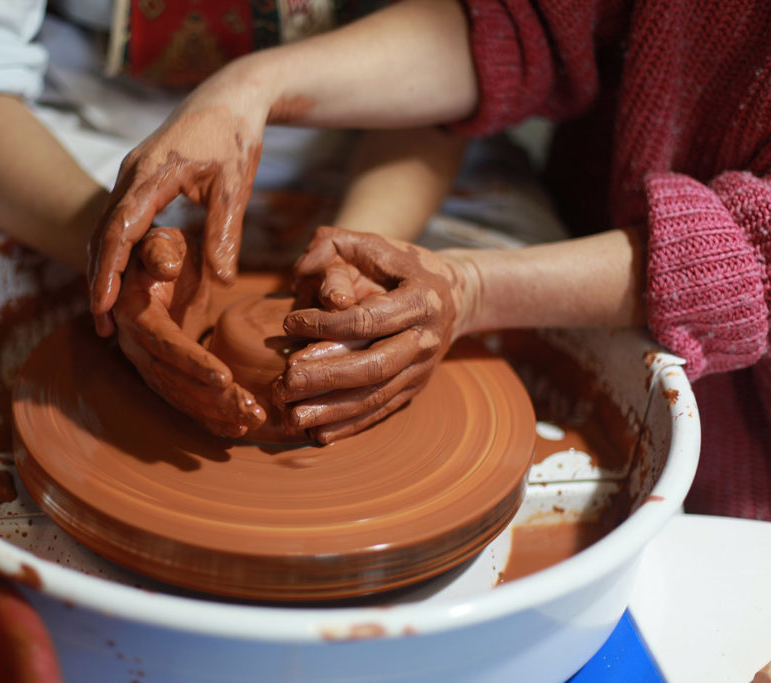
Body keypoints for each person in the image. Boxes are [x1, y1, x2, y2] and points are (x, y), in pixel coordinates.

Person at [0, 1, 483, 510]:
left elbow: (471, 63)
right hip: (60, 126)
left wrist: (359, 255)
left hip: (363, 130)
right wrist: (111, 241)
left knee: (518, 323)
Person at [88, 0, 771, 518]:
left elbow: (757, 248)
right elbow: (518, 23)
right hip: (609, 240)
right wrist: (247, 88)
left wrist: (472, 286)